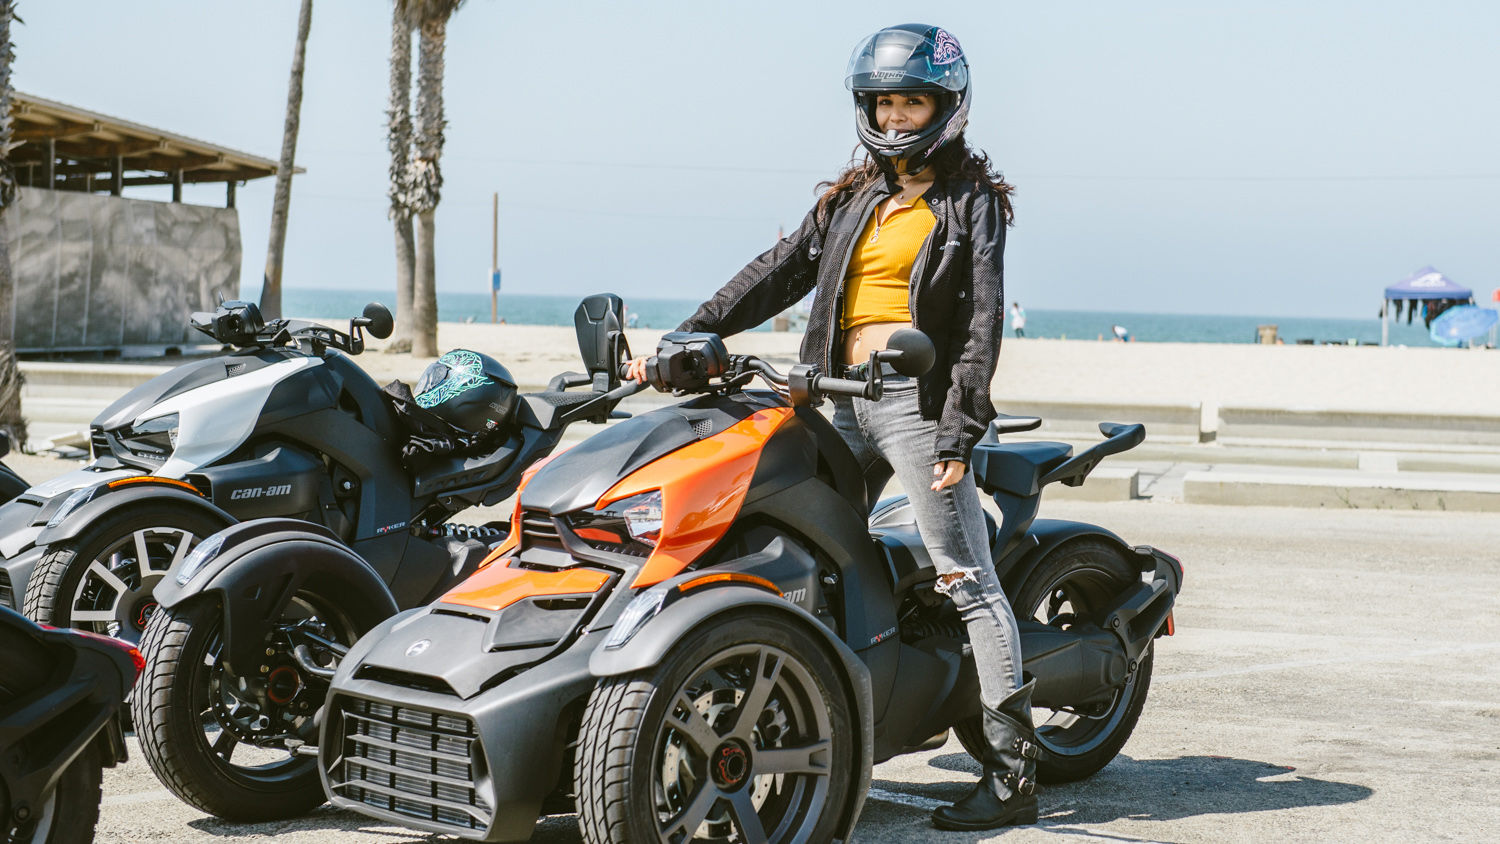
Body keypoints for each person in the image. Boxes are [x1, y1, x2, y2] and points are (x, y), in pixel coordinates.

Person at [627, 23, 1036, 832]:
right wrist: (693, 332)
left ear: (946, 106)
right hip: (832, 399)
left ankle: (1013, 776)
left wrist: (959, 432)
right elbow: (775, 271)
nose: (894, 117)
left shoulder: (969, 205)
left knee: (967, 577)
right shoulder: (854, 199)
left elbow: (983, 322)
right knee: (797, 549)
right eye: (883, 102)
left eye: (910, 100)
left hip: (917, 409)